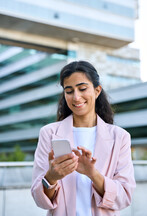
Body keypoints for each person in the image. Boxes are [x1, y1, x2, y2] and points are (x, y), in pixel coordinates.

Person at [31, 60, 136, 216]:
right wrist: (51, 177)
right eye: (69, 91)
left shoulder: (119, 137)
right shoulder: (49, 133)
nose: (76, 97)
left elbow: (125, 197)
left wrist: (92, 174)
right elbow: (39, 200)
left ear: (97, 90)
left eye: (82, 89)